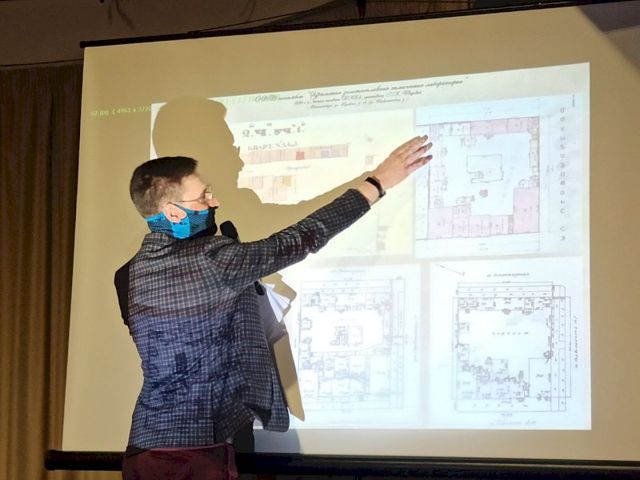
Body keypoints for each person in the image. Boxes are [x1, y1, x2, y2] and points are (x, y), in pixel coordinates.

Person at [115, 135, 433, 479]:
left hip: (144, 446)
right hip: (198, 454)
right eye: (203, 197)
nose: (214, 201)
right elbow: (303, 237)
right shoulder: (216, 260)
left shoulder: (127, 273)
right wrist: (378, 182)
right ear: (174, 212)